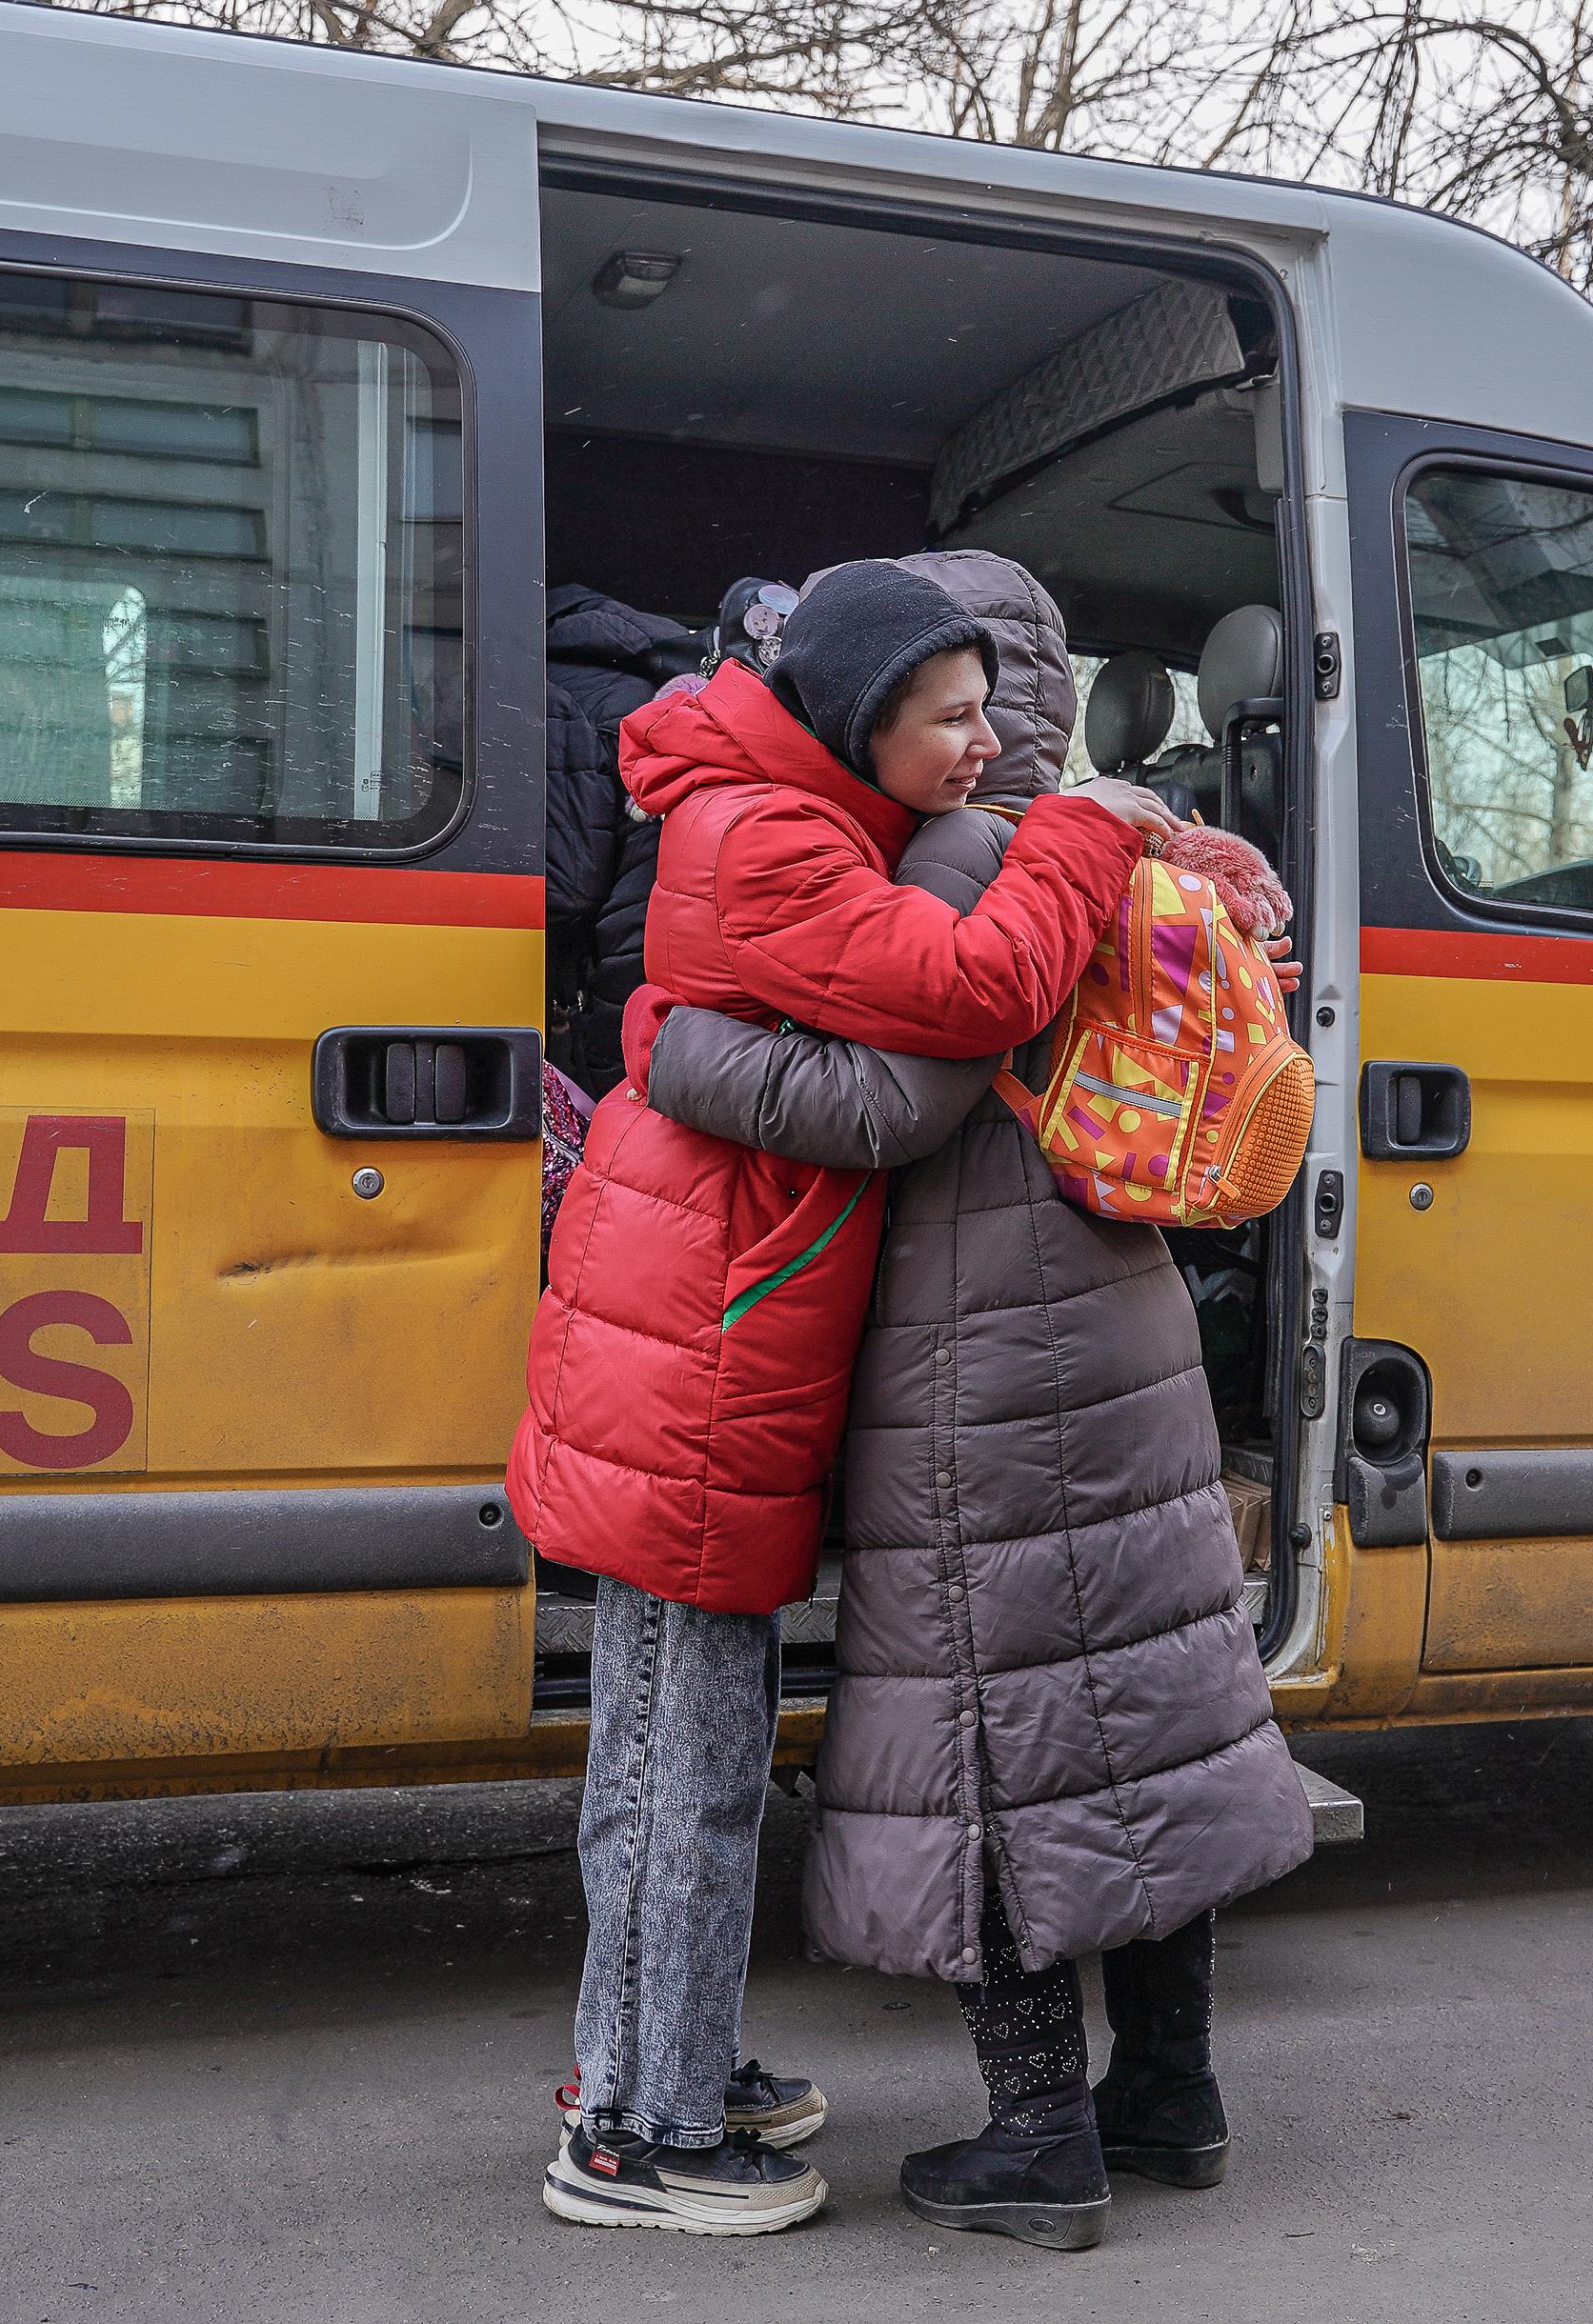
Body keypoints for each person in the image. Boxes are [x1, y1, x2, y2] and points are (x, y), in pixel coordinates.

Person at [642, 551, 1318, 2254]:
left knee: (992, 1754)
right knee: (1139, 1722)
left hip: (979, 1358)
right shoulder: (1134, 841)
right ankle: (1169, 2095)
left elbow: (889, 1100)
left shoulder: (959, 855)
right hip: (1122, 1330)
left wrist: (677, 1049)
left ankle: (1039, 2138)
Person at [511, 558, 1177, 2235]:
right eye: (952, 719)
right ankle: (638, 2137)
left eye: (992, 713)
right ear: (858, 717)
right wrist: (1086, 832)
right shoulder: (770, 839)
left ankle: (657, 2058)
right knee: (685, 1759)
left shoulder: (787, 815)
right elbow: (967, 998)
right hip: (694, 1360)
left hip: (702, 1338)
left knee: (679, 1743)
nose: (984, 743)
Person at [543, 585, 700, 1099]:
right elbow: (639, 915)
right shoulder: (663, 692)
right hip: (626, 985)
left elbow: (573, 886)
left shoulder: (513, 675)